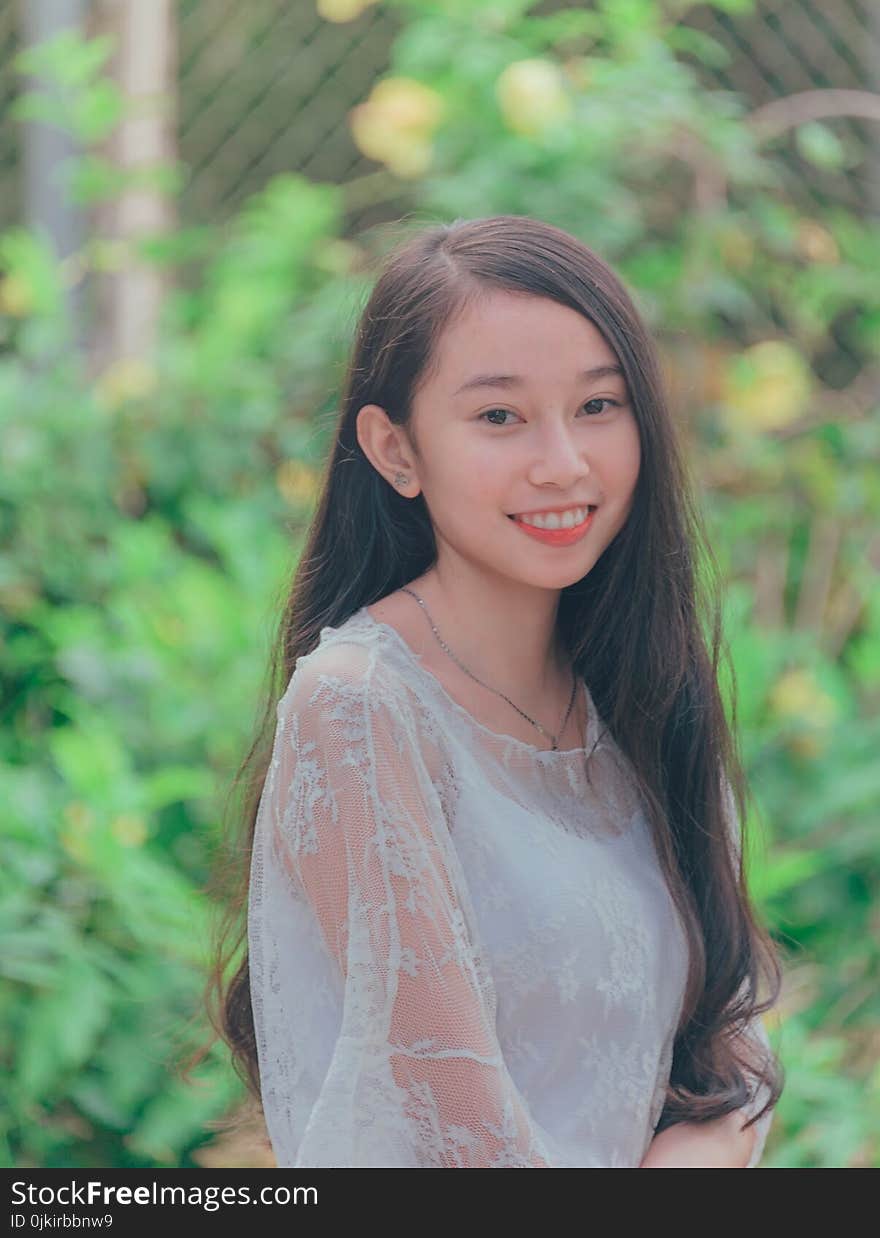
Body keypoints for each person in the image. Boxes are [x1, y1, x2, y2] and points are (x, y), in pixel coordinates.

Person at [216, 214, 784, 1167]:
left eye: (599, 407)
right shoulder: (359, 710)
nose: (563, 463)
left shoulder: (637, 684)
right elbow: (459, 1139)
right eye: (499, 417)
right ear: (396, 451)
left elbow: (732, 1035)